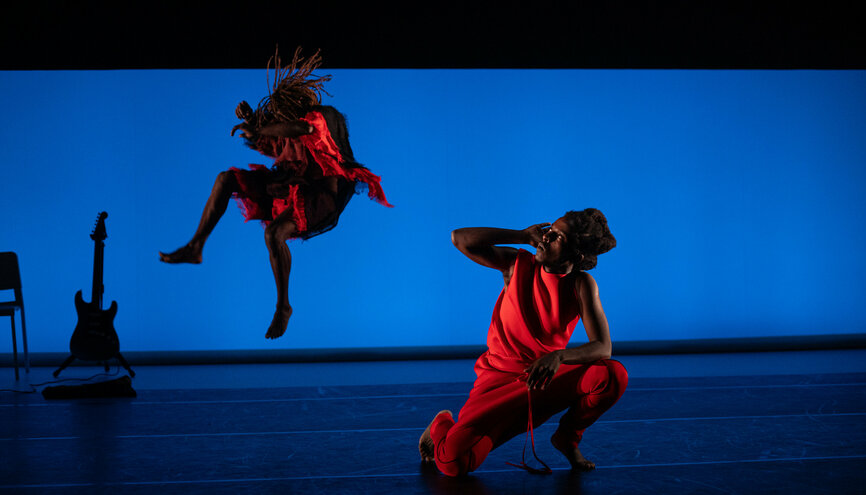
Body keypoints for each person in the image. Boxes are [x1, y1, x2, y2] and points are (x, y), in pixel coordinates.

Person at [159, 47, 392, 339]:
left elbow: (297, 129)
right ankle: (195, 247)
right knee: (225, 179)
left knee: (273, 234)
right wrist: (253, 124)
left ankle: (283, 306)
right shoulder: (283, 130)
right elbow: (273, 143)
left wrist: (263, 126)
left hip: (317, 199)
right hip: (285, 188)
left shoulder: (321, 119)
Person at [419, 209, 627, 476]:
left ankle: (567, 437)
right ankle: (441, 424)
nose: (546, 236)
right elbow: (459, 238)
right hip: (498, 381)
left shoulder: (582, 284)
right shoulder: (517, 264)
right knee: (453, 464)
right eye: (549, 229)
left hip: (542, 378)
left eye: (557, 236)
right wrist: (520, 235)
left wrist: (559, 357)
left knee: (613, 375)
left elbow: (603, 347)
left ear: (576, 253)